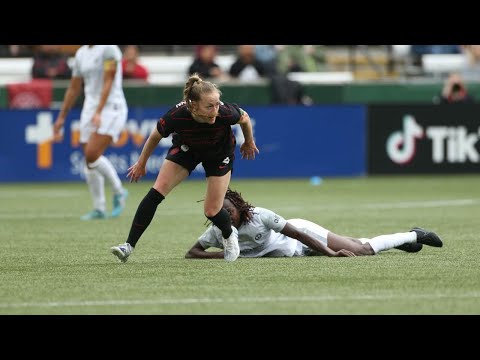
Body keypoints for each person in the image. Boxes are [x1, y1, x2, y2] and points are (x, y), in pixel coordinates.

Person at [110, 73, 259, 263]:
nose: (215, 110)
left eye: (217, 104)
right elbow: (155, 136)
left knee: (212, 211)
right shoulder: (176, 115)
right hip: (187, 150)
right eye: (209, 106)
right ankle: (128, 246)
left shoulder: (225, 112)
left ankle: (230, 234)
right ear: (193, 105)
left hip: (219, 154)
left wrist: (248, 141)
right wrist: (141, 163)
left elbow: (245, 119)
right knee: (156, 193)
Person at [185, 189, 443, 259]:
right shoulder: (218, 232)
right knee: (357, 243)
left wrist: (329, 253)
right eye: (221, 212)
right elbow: (192, 253)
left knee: (361, 250)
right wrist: (226, 254)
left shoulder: (260, 215)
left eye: (229, 211)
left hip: (303, 235)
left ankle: (412, 235)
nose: (226, 216)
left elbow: (296, 232)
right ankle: (401, 243)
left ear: (239, 207)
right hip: (294, 253)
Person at [53, 45, 129, 220]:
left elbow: (109, 80)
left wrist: (99, 111)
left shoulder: (109, 49)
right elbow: (74, 88)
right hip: (89, 107)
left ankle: (119, 191)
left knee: (92, 154)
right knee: (89, 159)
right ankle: (99, 208)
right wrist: (61, 117)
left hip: (112, 107)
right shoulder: (81, 53)